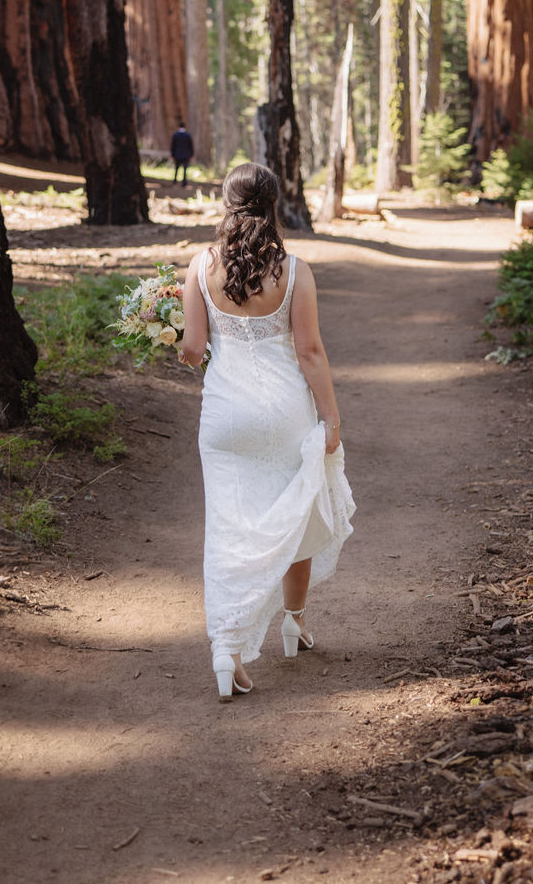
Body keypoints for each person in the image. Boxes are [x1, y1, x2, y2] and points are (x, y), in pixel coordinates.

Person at [179, 162, 355, 701]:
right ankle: (292, 622)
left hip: (226, 416)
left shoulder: (199, 266)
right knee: (295, 512)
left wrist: (179, 329)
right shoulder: (295, 271)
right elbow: (309, 351)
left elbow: (191, 351)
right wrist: (331, 416)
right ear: (273, 205)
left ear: (225, 204)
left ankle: (225, 650)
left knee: (226, 527)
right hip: (284, 413)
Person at [170, 121, 194, 186]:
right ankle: (184, 183)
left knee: (176, 169)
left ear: (179, 127)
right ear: (184, 127)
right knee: (185, 169)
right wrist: (191, 154)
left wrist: (172, 155)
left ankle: (175, 181)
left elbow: (173, 146)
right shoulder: (188, 135)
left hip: (177, 155)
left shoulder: (175, 135)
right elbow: (190, 146)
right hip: (186, 155)